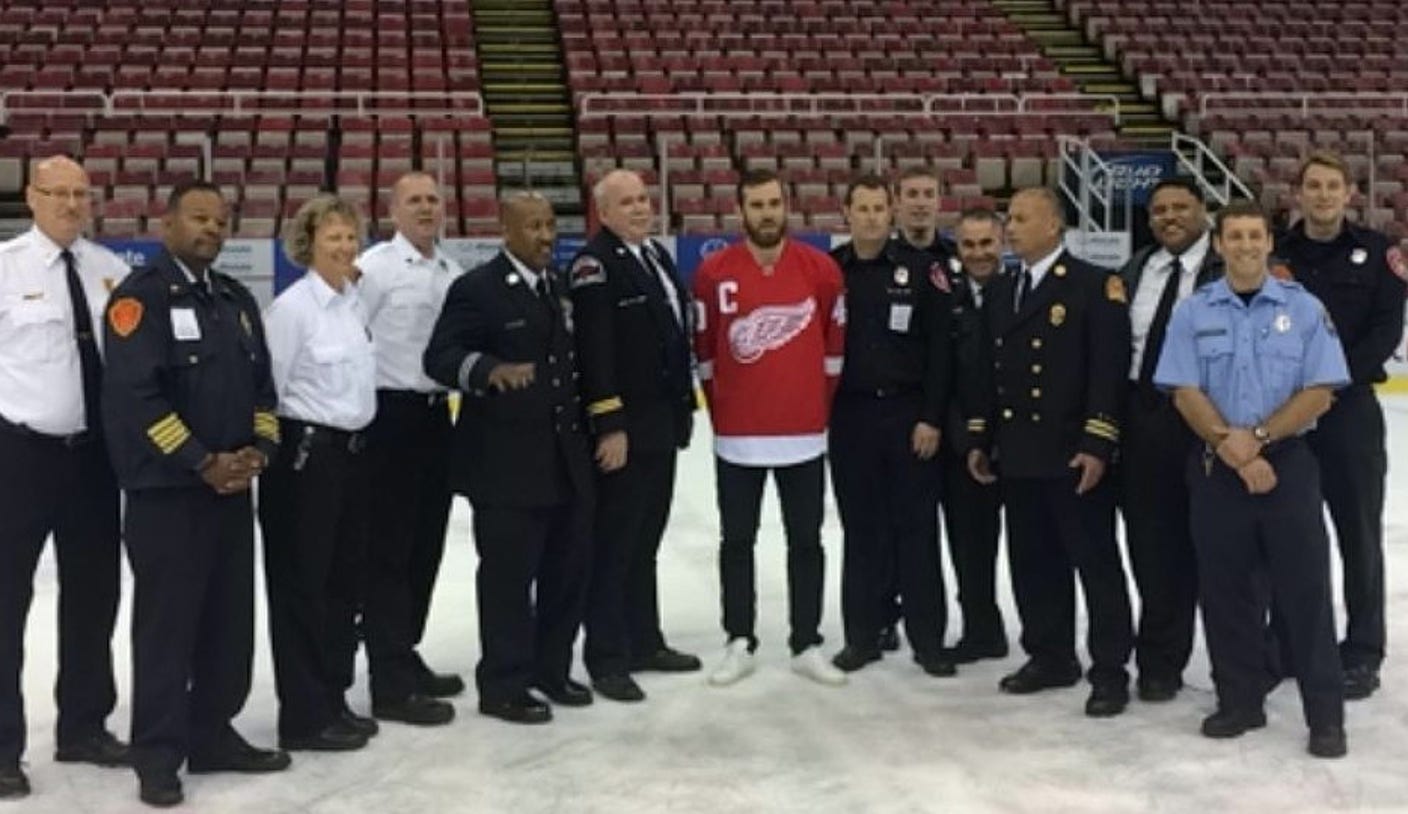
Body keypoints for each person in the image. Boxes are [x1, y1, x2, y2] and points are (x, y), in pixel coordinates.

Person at [103, 181, 289, 807]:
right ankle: (157, 753)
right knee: (167, 629)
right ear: (168, 224)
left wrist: (258, 452)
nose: (211, 228)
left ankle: (212, 733)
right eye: (199, 217)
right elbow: (136, 398)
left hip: (233, 490)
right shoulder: (139, 300)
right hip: (168, 495)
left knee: (228, 623)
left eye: (221, 219)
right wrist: (201, 460)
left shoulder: (235, 300)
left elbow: (264, 391)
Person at [1154, 199, 1350, 758]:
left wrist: (1258, 440)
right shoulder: (1193, 312)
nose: (1243, 246)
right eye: (1233, 236)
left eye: (1253, 236)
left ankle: (1326, 717)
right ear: (1218, 244)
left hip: (1286, 464)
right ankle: (1239, 702)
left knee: (1305, 593)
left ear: (1269, 243)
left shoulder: (1304, 309)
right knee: (1224, 592)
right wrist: (1230, 445)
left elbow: (1320, 390)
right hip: (1217, 465)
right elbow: (1183, 390)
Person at [423, 191, 595, 725]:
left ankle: (550, 667)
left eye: (550, 225)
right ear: (507, 231)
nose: (546, 236)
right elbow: (440, 357)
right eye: (534, 227)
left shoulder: (559, 287)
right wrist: (488, 370)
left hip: (565, 459)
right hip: (504, 466)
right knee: (507, 580)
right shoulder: (477, 289)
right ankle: (503, 683)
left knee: (567, 572)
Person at [966, 187, 1134, 717]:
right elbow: (989, 374)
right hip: (1018, 454)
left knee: (1096, 564)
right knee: (1032, 562)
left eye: (1020, 219)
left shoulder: (1091, 285)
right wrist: (979, 437)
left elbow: (1108, 372)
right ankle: (1051, 654)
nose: (1009, 228)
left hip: (1073, 455)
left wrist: (1098, 442)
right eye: (1008, 218)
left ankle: (1109, 669)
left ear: (1054, 225)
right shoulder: (1002, 289)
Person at [0, 155, 130, 800]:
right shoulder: (4, 269)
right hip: (19, 456)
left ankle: (84, 724)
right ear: (32, 197)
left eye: (82, 193)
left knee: (94, 595)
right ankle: (1, 747)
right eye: (59, 193)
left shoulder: (111, 271)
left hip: (94, 461)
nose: (72, 204)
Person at [692, 169, 848, 687]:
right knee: (737, 540)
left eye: (774, 203)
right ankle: (740, 638)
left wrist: (812, 409)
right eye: (756, 205)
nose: (766, 213)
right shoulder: (713, 273)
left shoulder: (821, 270)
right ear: (740, 212)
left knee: (806, 540)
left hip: (804, 433)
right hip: (738, 438)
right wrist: (727, 415)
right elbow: (707, 355)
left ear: (788, 207)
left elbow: (833, 353)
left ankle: (806, 641)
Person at [1276, 151, 1407, 700]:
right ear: (1298, 194)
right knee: (1287, 535)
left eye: (1333, 185)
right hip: (1283, 416)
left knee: (1358, 534)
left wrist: (1327, 384)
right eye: (1314, 185)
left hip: (1349, 412)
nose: (1324, 195)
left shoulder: (1380, 255)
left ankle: (1361, 648)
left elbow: (1384, 331)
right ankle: (1287, 641)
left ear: (1350, 194)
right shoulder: (1274, 253)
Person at [569, 169, 700, 703]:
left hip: (661, 426)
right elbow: (595, 355)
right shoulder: (595, 265)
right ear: (603, 211)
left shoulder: (655, 256)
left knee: (644, 541)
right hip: (626, 429)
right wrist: (609, 423)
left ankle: (644, 640)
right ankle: (607, 656)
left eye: (644, 199)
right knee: (614, 544)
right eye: (627, 202)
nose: (641, 209)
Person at [259, 195, 382, 752]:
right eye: (333, 237)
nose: (345, 246)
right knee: (302, 590)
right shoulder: (292, 309)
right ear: (308, 244)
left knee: (343, 585)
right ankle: (304, 716)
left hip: (352, 459)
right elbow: (271, 391)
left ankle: (332, 697)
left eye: (351, 236)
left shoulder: (352, 303)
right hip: (305, 461)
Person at [826, 174, 954, 677]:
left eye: (881, 208)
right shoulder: (829, 271)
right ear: (847, 213)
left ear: (892, 212)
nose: (873, 217)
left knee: (917, 531)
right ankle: (863, 635)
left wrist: (931, 418)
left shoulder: (925, 271)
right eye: (864, 208)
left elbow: (943, 352)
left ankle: (928, 640)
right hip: (852, 417)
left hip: (909, 417)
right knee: (861, 531)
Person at [355, 172, 464, 725]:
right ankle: (388, 681)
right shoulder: (374, 268)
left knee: (427, 547)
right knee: (389, 555)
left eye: (432, 199)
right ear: (392, 210)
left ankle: (404, 649)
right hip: (388, 421)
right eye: (413, 201)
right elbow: (347, 336)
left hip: (435, 420)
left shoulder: (451, 271)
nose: (425, 208)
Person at [1116, 177, 1223, 702]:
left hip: (1209, 419)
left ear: (1203, 210)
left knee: (1223, 550)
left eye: (1181, 207)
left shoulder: (1226, 267)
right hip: (1145, 420)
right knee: (1152, 547)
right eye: (1159, 209)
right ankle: (1160, 660)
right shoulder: (1137, 269)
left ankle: (1241, 662)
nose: (1169, 216)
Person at [941, 208, 1009, 663]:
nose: (978, 254)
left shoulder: (1023, 294)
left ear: (1001, 242)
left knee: (1036, 547)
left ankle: (1050, 639)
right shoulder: (945, 299)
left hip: (1022, 442)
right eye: (969, 245)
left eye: (987, 243)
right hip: (963, 445)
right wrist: (967, 440)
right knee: (969, 543)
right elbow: (940, 377)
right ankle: (981, 629)